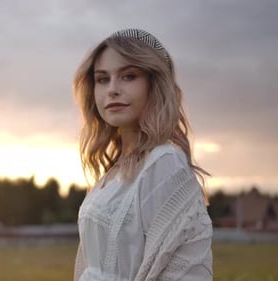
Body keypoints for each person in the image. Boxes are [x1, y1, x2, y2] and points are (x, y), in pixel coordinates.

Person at [72, 28, 213, 281]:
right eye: (102, 79)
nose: (112, 89)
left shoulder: (163, 162)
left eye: (128, 76)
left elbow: (185, 273)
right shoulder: (113, 172)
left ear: (154, 84)